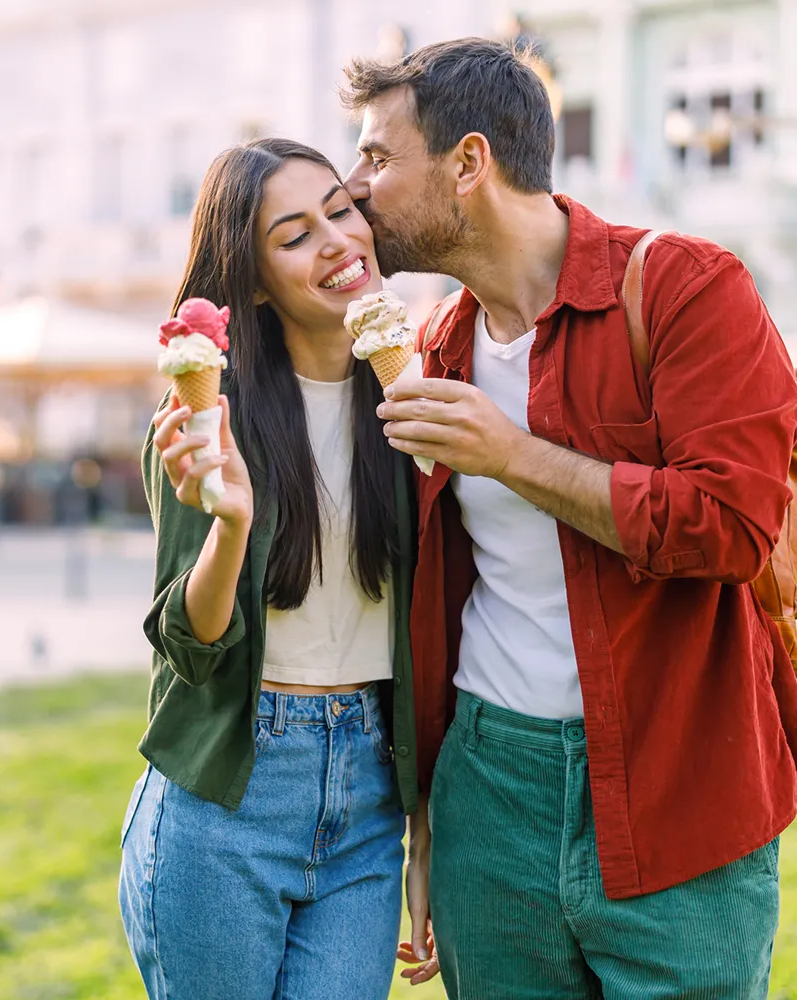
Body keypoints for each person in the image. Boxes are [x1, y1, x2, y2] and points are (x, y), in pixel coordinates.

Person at [342, 37, 797, 1000]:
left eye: (380, 158)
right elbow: (436, 600)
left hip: (683, 791)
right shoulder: (435, 348)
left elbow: (733, 523)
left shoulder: (685, 286)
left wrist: (511, 455)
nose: (356, 185)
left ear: (468, 163)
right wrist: (426, 816)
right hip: (488, 797)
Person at [118, 137, 419, 1000]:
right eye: (294, 235)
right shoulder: (206, 420)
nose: (336, 240)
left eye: (341, 209)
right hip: (229, 798)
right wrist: (233, 524)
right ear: (251, 280)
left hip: (368, 801)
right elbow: (194, 643)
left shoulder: (409, 399)